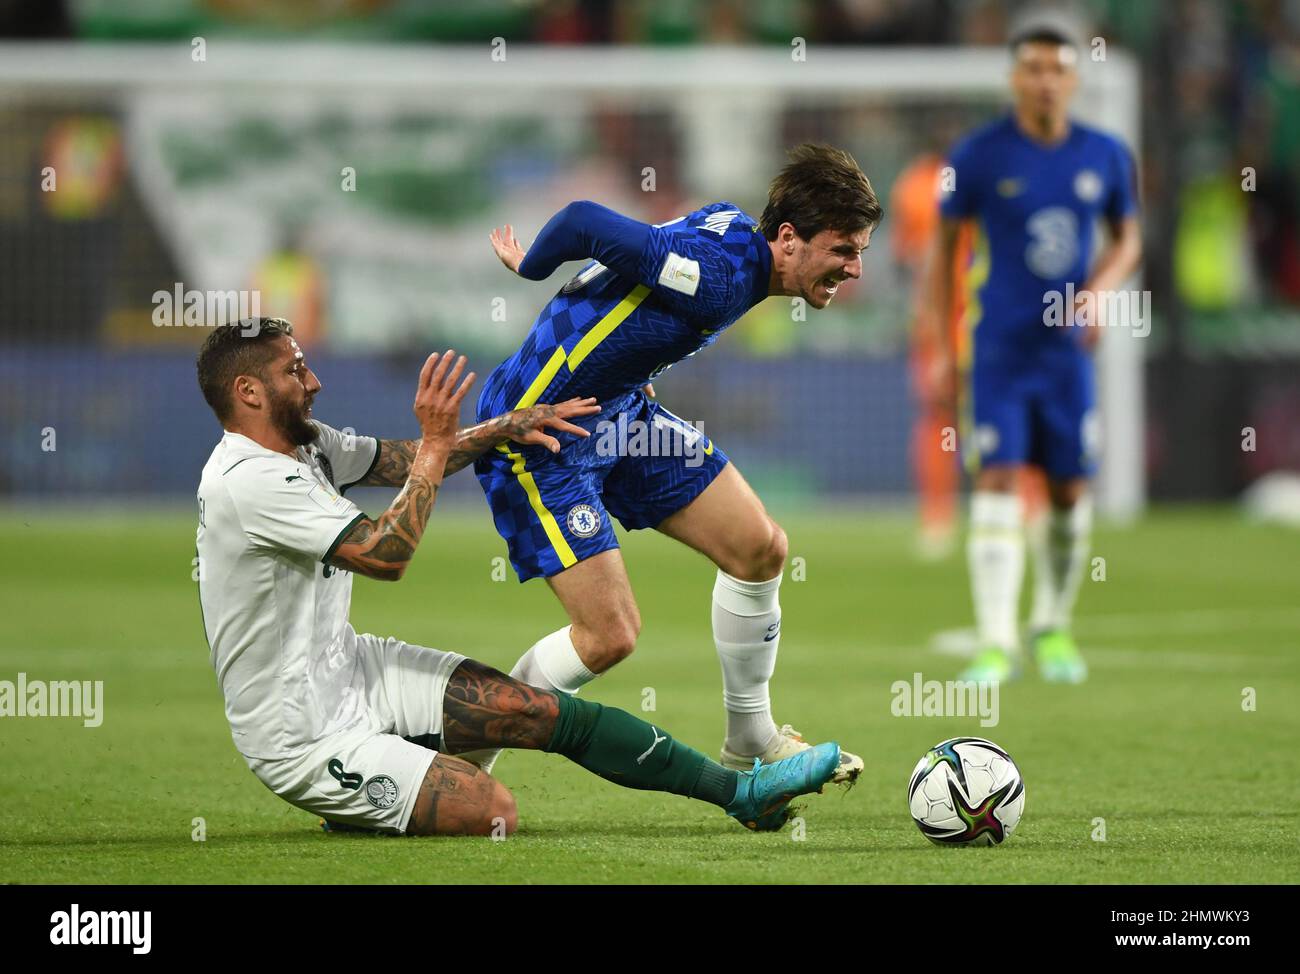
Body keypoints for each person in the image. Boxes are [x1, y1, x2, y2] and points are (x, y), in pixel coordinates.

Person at [193, 318, 842, 835]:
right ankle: (359, 794)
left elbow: (406, 460)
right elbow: (385, 554)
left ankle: (742, 793)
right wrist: (440, 444)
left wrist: (511, 425)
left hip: (356, 668)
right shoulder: (249, 481)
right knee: (493, 811)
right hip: (300, 731)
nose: (314, 381)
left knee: (541, 712)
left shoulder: (304, 443)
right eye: (294, 369)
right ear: (249, 392)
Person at [468, 144, 882, 778]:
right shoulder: (717, 279)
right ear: (791, 238)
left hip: (619, 413)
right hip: (540, 432)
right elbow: (582, 219)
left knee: (760, 548)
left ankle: (750, 738)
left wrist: (629, 365)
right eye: (844, 251)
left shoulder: (733, 228)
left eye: (861, 251)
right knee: (609, 637)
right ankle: (467, 753)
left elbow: (632, 283)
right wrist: (531, 268)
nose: (855, 269)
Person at [927, 21, 1143, 683]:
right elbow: (942, 255)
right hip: (996, 349)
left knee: (1070, 489)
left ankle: (1051, 625)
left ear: (1074, 79)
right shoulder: (977, 155)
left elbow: (1128, 238)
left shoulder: (1105, 154)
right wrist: (940, 342)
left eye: (1057, 68)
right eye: (1033, 68)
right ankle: (996, 641)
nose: (1045, 79)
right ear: (1014, 79)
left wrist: (1103, 289)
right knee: (994, 478)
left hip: (1066, 358)